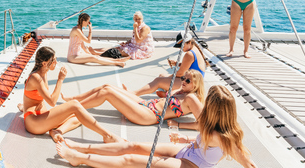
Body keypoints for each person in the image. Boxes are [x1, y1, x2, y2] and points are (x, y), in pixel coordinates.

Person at [56, 85, 257, 168]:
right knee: (131, 146)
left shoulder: (225, 137)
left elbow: (248, 164)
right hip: (188, 150)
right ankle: (81, 147)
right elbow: (204, 140)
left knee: (130, 159)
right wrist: (186, 139)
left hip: (193, 165)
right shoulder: (210, 124)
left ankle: (79, 158)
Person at [22, 46, 123, 143]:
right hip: (34, 122)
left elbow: (33, 98)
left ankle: (57, 131)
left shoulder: (43, 73)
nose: (56, 63)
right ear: (44, 63)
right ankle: (107, 136)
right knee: (75, 105)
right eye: (53, 61)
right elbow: (52, 102)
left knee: (80, 114)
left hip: (41, 117)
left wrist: (23, 106)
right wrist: (60, 79)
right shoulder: (36, 78)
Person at [62, 70, 204, 126]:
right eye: (183, 78)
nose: (183, 81)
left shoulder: (192, 99)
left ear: (196, 85)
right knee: (107, 86)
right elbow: (166, 98)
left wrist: (178, 124)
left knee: (107, 92)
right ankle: (73, 99)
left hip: (150, 115)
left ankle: (72, 107)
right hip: (145, 104)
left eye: (187, 81)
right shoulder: (182, 90)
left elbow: (202, 126)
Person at [125, 32, 208, 97]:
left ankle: (134, 93)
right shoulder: (195, 49)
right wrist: (177, 64)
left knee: (158, 80)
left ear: (189, 42)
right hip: (196, 82)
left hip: (191, 84)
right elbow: (192, 66)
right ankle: (170, 93)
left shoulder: (189, 54)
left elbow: (180, 74)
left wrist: (167, 77)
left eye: (181, 46)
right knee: (162, 75)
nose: (180, 48)